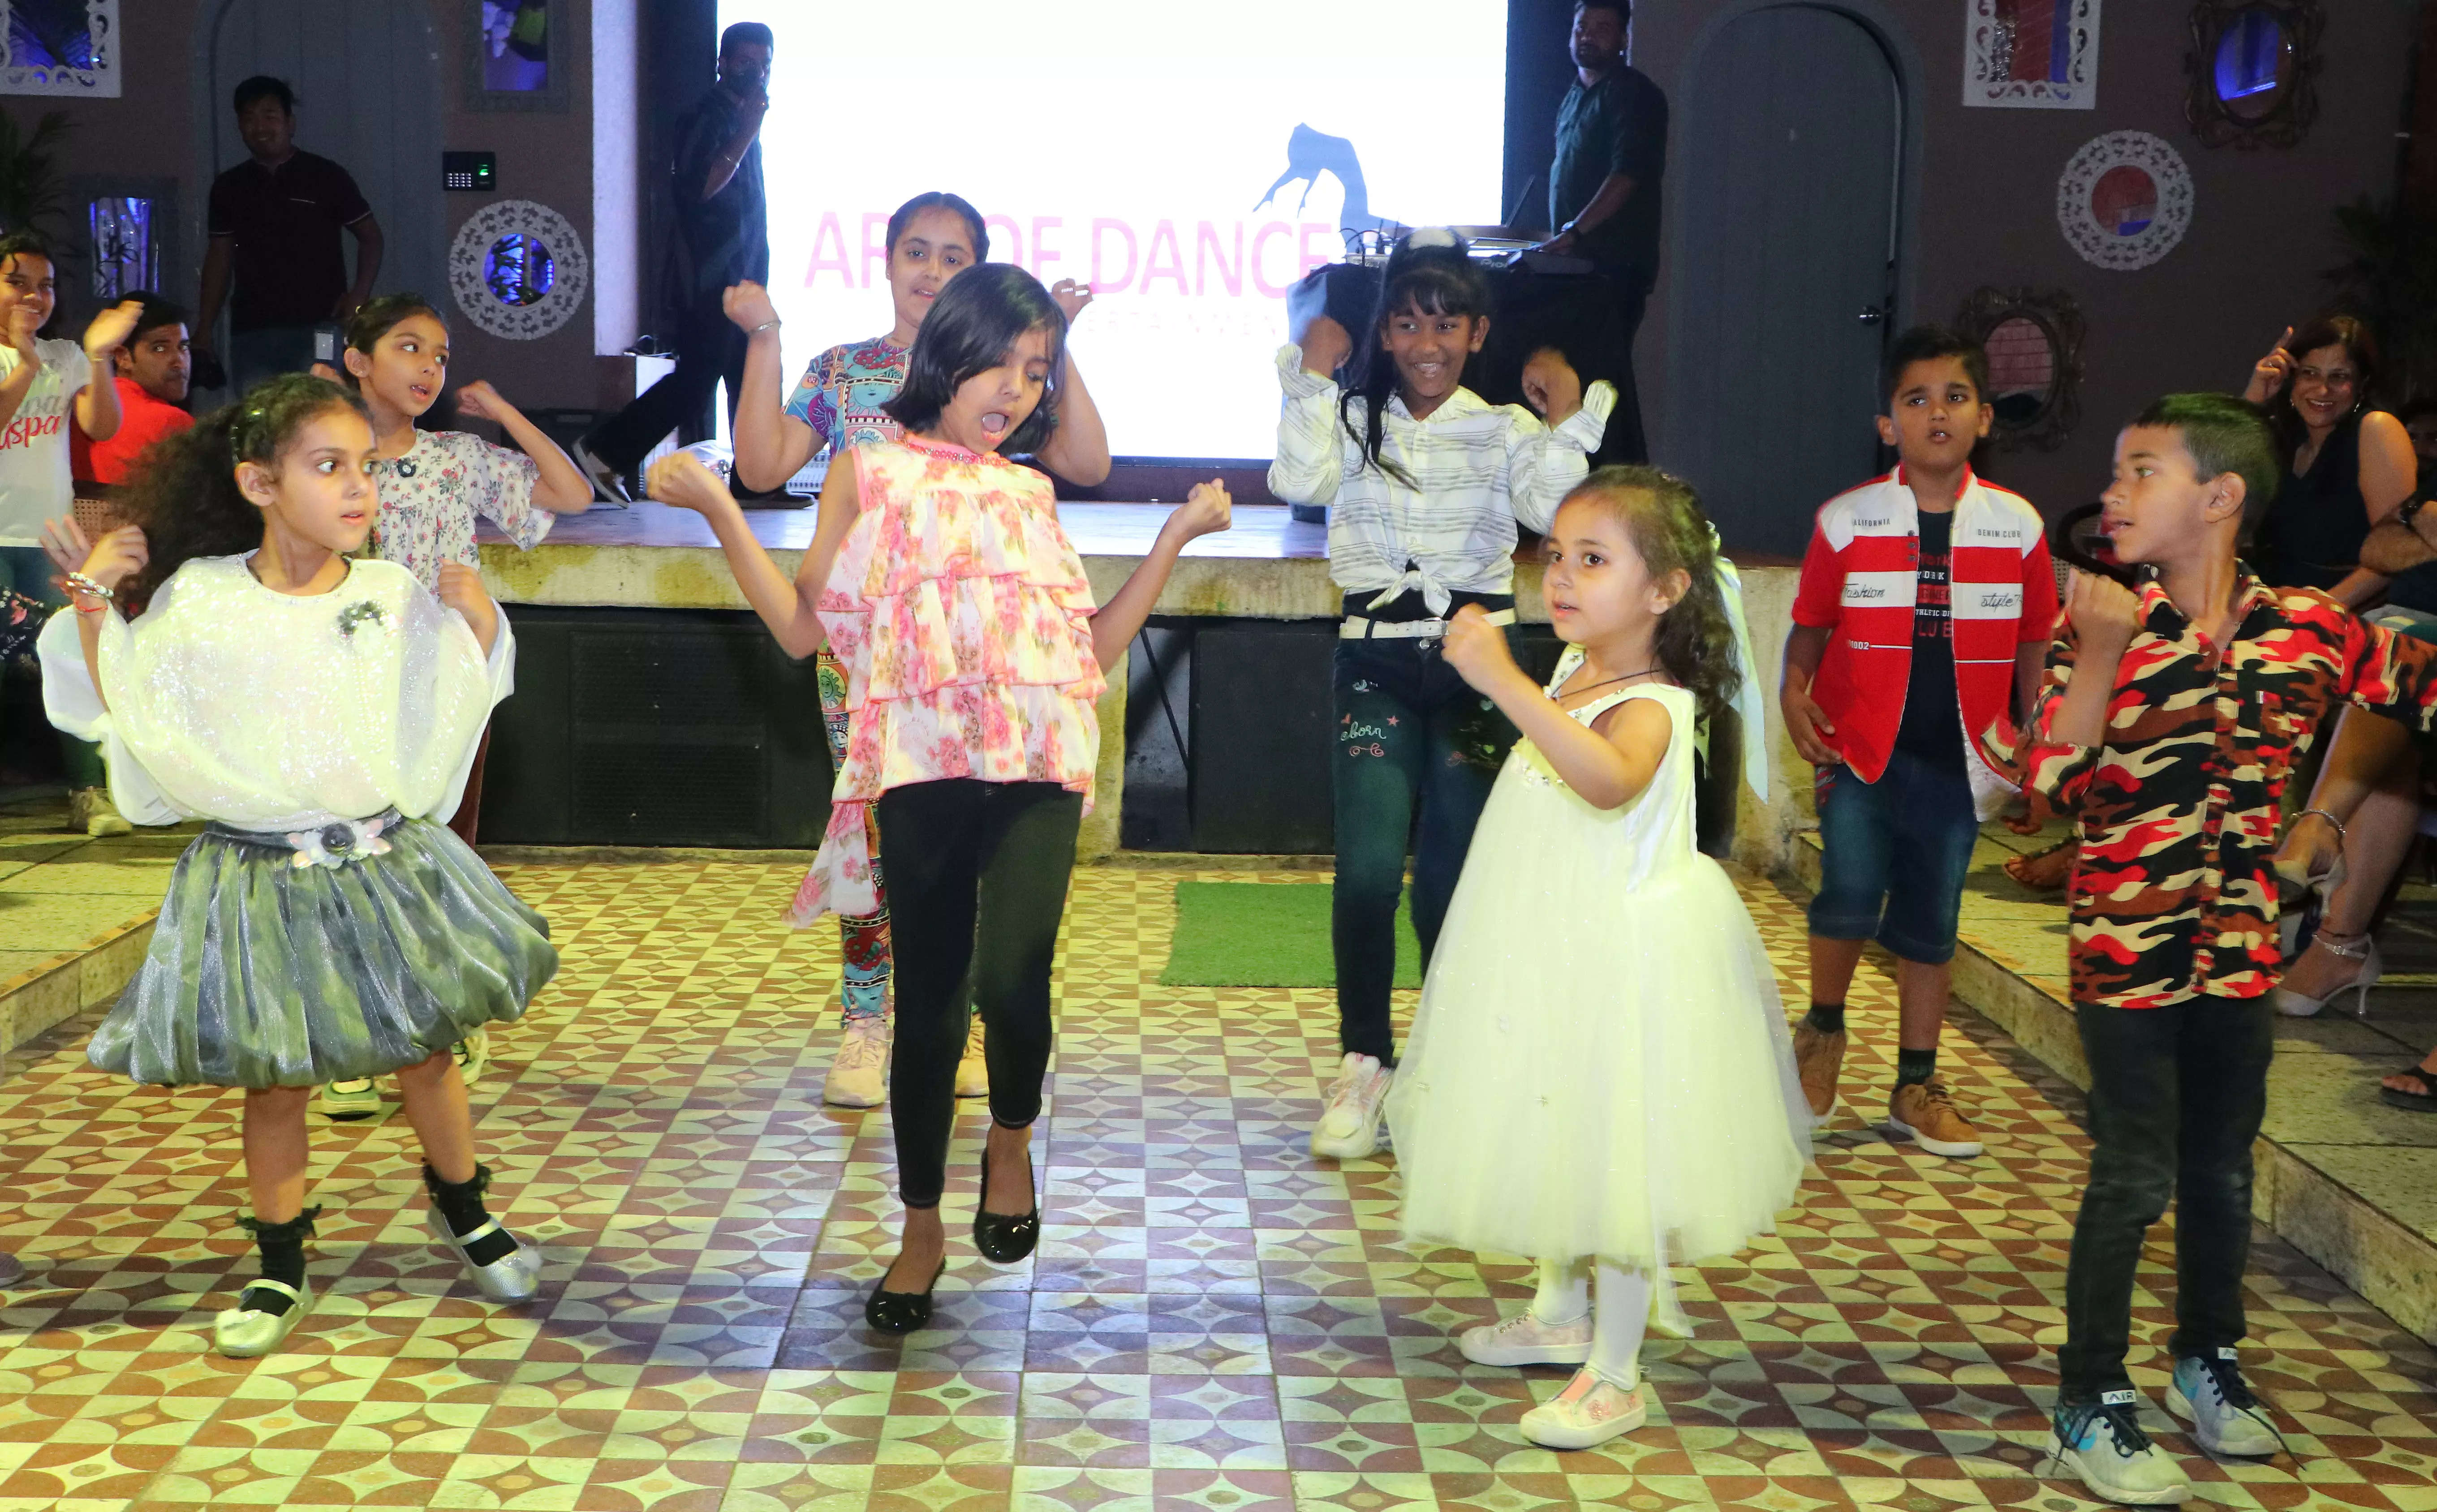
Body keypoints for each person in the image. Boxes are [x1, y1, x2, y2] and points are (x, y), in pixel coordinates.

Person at [648, 263, 1230, 1334]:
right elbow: (799, 630)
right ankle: (920, 1231)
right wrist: (720, 510)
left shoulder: (1032, 491)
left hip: (1039, 770)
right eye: (997, 365)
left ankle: (1010, 1138)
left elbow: (1090, 650)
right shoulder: (868, 471)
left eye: (1035, 371)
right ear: (942, 358)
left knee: (1012, 984)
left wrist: (1169, 545)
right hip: (918, 769)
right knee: (928, 1010)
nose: (1015, 389)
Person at [34, 374, 557, 1358]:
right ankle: (280, 1257)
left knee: (426, 1048)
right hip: (257, 874)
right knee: (274, 1078)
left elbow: (444, 706)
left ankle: (467, 1209)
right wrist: (99, 599)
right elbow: (139, 711)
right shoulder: (205, 599)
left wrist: (480, 624)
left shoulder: (392, 592)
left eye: (365, 467)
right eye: (329, 467)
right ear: (259, 484)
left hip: (380, 865)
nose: (359, 488)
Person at [2007, 393, 2437, 1503]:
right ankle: (2090, 1394)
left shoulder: (2305, 625)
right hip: (2127, 958)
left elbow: (2410, 690)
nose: (2111, 492)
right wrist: (2099, 653)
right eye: (2113, 471)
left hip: (2242, 952)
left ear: (2220, 496)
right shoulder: (2102, 625)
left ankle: (2209, 1358)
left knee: (2219, 1168)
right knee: (2133, 1171)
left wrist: (2330, 806)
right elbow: (2054, 785)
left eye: (2137, 469)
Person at [1387, 468, 1808, 1450]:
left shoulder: (1652, 700)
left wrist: (1504, 682)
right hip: (1547, 937)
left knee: (1615, 1153)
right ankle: (1555, 1306)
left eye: (1592, 559)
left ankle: (1614, 1370)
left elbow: (1608, 781)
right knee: (1551, 1117)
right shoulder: (1581, 672)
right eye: (1556, 556)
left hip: (1622, 955)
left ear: (1663, 591)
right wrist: (1532, 685)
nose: (1560, 579)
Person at [723, 190, 1112, 1109]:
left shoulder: (999, 380)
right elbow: (761, 466)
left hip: (978, 672)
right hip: (864, 663)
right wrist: (764, 337)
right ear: (887, 259)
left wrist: (1054, 339)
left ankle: (966, 1021)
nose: (931, 271)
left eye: (952, 256)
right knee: (869, 838)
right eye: (916, 252)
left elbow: (1089, 463)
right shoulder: (845, 372)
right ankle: (866, 1020)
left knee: (974, 852)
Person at [1266, 230, 1611, 1163]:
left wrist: (1566, 408)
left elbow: (1552, 512)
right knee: (1371, 869)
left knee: (1452, 882)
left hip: (1476, 671)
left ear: (1475, 332)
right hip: (1373, 662)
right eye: (1409, 321)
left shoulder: (1501, 430)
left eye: (1445, 322)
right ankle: (1363, 1062)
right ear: (1386, 333)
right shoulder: (1349, 420)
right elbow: (1294, 480)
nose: (1426, 340)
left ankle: (1449, 1067)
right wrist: (1309, 376)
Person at [306, 293, 590, 1121]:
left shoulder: (457, 457)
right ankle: (351, 1043)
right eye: (408, 349)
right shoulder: (324, 459)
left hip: (448, 684)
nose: (430, 368)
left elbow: (569, 496)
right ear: (358, 360)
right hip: (348, 684)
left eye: (440, 354)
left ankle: (435, 1019)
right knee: (347, 860)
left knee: (440, 858)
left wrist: (504, 411)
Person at [1780, 326, 2054, 1158]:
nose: (1938, 411)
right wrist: (1795, 697)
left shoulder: (2017, 526)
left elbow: (2037, 641)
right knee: (1853, 889)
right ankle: (1824, 1028)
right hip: (1860, 749)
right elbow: (1809, 631)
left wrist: (2040, 747)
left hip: (1959, 760)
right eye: (1917, 398)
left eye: (1957, 398)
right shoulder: (1846, 520)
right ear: (1888, 425)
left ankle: (1916, 1083)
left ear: (1984, 421)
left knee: (1934, 917)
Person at [575, 23, 774, 499]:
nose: (756, 74)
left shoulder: (739, 117)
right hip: (707, 279)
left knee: (747, 377)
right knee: (697, 380)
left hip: (739, 277)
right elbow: (701, 188)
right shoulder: (708, 118)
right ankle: (603, 453)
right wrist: (748, 129)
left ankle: (754, 482)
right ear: (722, 63)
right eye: (745, 63)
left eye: (765, 64)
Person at [0, 232, 144, 836]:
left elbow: (102, 425)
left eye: (46, 285)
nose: (35, 296)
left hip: (49, 540)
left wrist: (100, 357)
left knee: (69, 657)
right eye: (18, 283)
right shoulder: (26, 360)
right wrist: (23, 362)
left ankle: (89, 792)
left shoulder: (63, 358)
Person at [1537, 0, 1666, 464]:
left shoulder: (1633, 94)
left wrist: (1575, 230)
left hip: (1612, 266)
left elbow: (1627, 175)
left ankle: (1611, 490)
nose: (1587, 36)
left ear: (1624, 39)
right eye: (1580, 27)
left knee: (1600, 382)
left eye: (1602, 28)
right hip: (1571, 265)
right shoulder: (1573, 95)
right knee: (1569, 376)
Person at [198, 77, 383, 395]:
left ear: (290, 123)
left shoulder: (326, 176)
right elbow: (219, 257)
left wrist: (358, 298)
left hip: (320, 324)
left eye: (270, 116)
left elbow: (371, 238)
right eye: (249, 118)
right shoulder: (229, 187)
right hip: (252, 329)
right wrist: (204, 328)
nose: (260, 127)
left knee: (321, 413)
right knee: (259, 424)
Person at [2243, 318, 2414, 604]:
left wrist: (2315, 611)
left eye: (2339, 377)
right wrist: (2254, 397)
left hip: (2346, 609)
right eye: (2309, 374)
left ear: (2362, 384)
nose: (2322, 390)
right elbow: (2210, 477)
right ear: (2291, 378)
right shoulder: (2283, 434)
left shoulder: (2376, 429)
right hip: (2269, 597)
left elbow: (2395, 553)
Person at [72, 291, 194, 486]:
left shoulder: (81, 406)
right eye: (160, 349)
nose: (179, 362)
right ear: (123, 357)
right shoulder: (172, 423)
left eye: (184, 347)